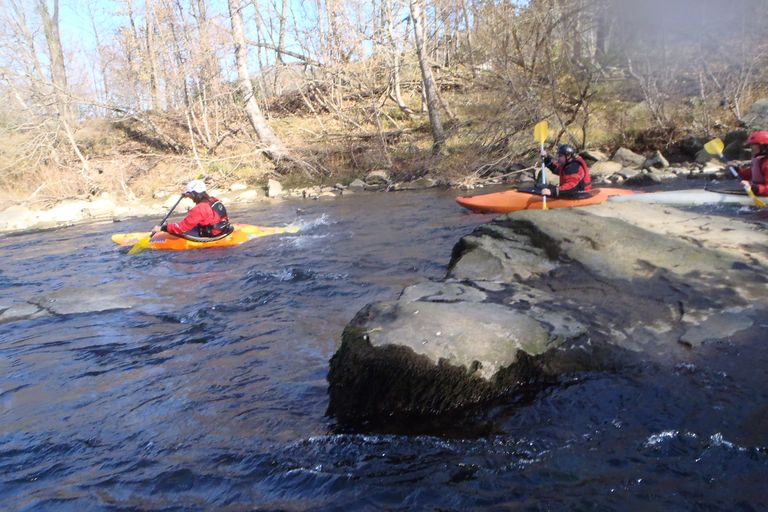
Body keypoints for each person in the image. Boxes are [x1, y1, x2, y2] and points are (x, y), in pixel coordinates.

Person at [152, 180, 231, 238]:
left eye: (190, 194)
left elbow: (182, 228)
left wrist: (164, 228)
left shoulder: (199, 208)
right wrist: (186, 194)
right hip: (222, 228)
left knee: (176, 231)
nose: (189, 196)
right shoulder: (213, 200)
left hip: (211, 233)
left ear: (194, 194)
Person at [729, 130, 768, 196]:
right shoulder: (760, 160)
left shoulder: (766, 165)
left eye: (754, 145)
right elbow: (752, 173)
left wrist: (755, 188)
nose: (751, 147)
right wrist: (738, 171)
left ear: (764, 147)